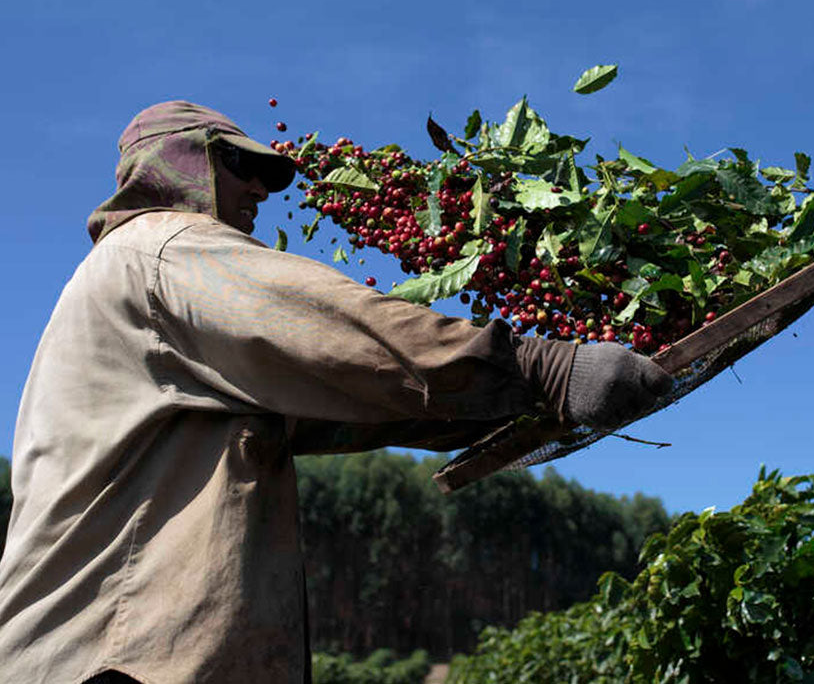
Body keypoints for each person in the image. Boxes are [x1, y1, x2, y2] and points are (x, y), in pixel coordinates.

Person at [0, 101, 670, 683]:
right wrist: (543, 368)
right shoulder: (161, 251)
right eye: (240, 166)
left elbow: (351, 401)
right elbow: (341, 333)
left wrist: (512, 404)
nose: (261, 191)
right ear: (178, 164)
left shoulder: (134, 303)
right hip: (112, 659)